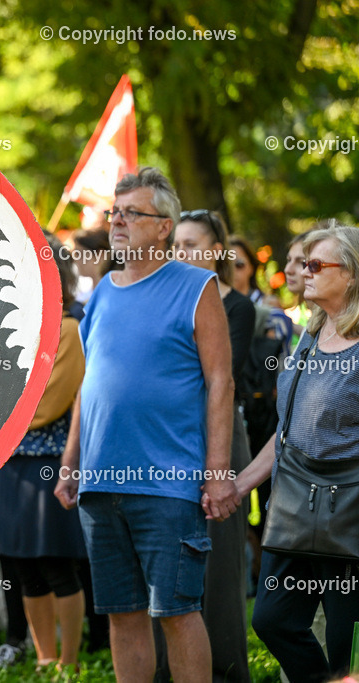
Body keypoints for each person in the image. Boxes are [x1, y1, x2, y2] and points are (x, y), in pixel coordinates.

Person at [54, 168, 239, 683]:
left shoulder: (197, 286)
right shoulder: (104, 292)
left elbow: (220, 382)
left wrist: (218, 472)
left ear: (163, 227)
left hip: (169, 483)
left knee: (177, 612)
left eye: (132, 213)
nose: (118, 222)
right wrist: (71, 464)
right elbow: (88, 386)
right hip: (99, 483)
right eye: (115, 212)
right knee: (121, 613)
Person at [235, 225, 359, 683]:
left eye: (315, 265)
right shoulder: (312, 332)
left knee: (350, 646)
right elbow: (288, 428)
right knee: (272, 620)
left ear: (350, 275)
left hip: (349, 514)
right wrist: (241, 483)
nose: (301, 273)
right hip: (293, 507)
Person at [0, 232, 85, 673]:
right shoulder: (11, 329)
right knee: (24, 570)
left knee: (57, 568)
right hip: (9, 465)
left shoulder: (67, 330)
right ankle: (45, 660)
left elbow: (44, 407)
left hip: (48, 464)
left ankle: (70, 662)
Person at [173, 210, 255, 682]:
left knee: (221, 561)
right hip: (172, 438)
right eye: (176, 245)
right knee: (170, 557)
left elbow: (216, 378)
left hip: (221, 436)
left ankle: (225, 670)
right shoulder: (163, 297)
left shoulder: (236, 306)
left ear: (215, 251)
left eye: (191, 245)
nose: (181, 254)